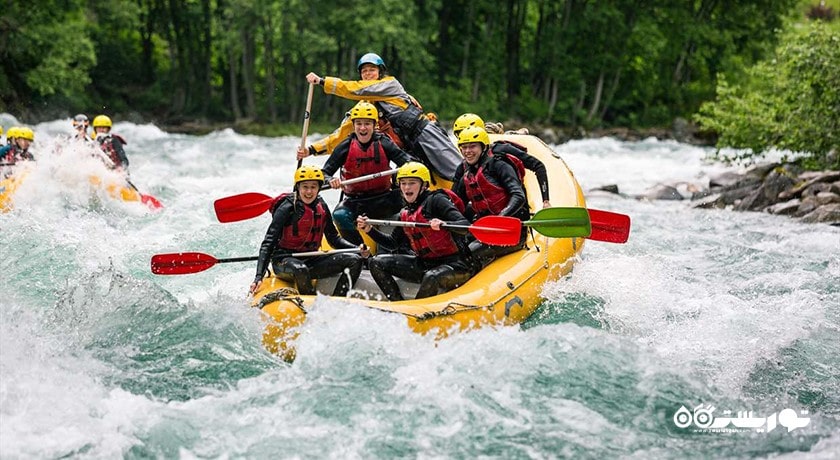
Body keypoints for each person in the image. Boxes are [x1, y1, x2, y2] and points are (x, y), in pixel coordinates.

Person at [298, 52, 462, 181]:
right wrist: (312, 149)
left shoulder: (390, 84)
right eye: (364, 71)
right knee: (416, 180)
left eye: (372, 70)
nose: (368, 74)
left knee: (456, 170)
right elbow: (342, 134)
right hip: (407, 148)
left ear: (380, 72)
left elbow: (354, 89)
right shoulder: (364, 108)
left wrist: (322, 81)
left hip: (425, 133)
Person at [357, 162, 475, 301]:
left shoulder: (437, 200)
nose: (407, 187)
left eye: (412, 183)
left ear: (424, 185)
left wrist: (445, 224)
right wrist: (369, 230)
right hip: (424, 263)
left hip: (456, 264)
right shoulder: (405, 212)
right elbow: (393, 243)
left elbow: (466, 226)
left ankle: (417, 315)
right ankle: (398, 304)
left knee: (432, 276)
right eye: (403, 183)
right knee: (376, 262)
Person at [250, 166, 366, 297]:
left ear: (319, 188)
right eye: (305, 187)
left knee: (355, 260)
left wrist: (356, 248)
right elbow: (268, 243)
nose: (309, 191)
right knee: (300, 269)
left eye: (313, 187)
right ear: (298, 187)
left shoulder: (321, 205)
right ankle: (311, 305)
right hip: (284, 260)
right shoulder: (287, 207)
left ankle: (338, 300)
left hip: (312, 259)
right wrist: (259, 276)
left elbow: (334, 239)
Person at [319, 101, 414, 245]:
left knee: (409, 209)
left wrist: (404, 174)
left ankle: (397, 248)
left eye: (367, 124)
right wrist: (330, 180)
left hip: (385, 199)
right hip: (356, 202)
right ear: (354, 125)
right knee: (339, 215)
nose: (363, 128)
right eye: (359, 124)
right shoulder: (345, 146)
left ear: (374, 125)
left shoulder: (385, 143)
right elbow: (323, 174)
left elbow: (408, 164)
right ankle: (359, 252)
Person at [453, 126, 529, 269]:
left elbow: (518, 196)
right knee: (457, 247)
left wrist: (500, 218)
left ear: (483, 147)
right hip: (485, 229)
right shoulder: (467, 173)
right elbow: (457, 205)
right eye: (464, 147)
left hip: (510, 231)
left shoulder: (499, 165)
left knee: (468, 253)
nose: (467, 151)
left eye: (472, 146)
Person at [453, 113, 551, 208]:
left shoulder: (501, 151)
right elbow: (454, 198)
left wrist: (546, 201)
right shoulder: (464, 166)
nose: (466, 137)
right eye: (460, 135)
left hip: (513, 207)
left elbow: (538, 166)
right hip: (485, 213)